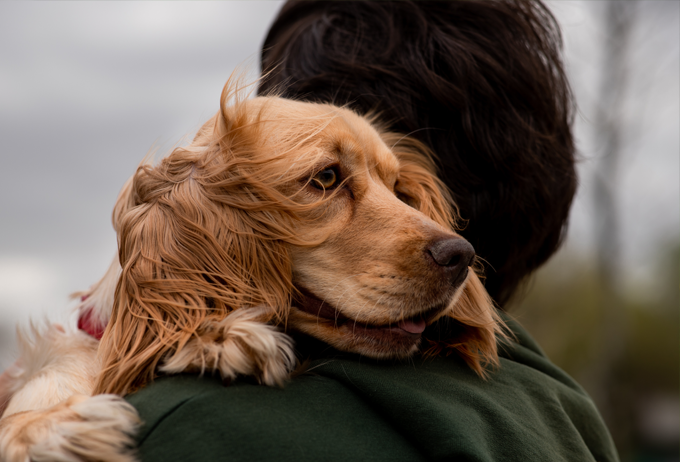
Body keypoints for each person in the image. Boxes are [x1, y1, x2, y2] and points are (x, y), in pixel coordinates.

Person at [125, 1, 619, 460]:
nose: (431, 233)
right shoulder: (575, 420)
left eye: (399, 189)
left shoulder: (176, 426)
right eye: (325, 178)